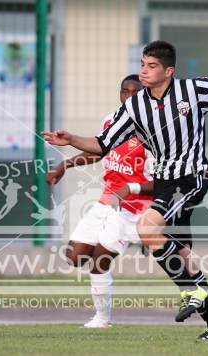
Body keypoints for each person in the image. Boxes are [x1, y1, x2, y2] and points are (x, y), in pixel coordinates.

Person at [42, 40, 208, 341]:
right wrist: (71, 139)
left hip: (190, 178)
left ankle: (193, 291)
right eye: (142, 65)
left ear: (168, 71)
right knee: (182, 255)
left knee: (148, 229)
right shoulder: (135, 106)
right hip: (163, 182)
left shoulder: (193, 91)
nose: (143, 71)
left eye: (151, 66)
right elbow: (102, 144)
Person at [46, 74, 154, 328]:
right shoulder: (111, 120)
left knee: (99, 261)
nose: (128, 97)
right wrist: (65, 164)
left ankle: (102, 320)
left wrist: (131, 188)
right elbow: (98, 151)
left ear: (145, 95)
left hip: (134, 208)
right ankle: (140, 239)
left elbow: (163, 183)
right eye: (124, 91)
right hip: (106, 202)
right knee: (75, 256)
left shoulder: (153, 132)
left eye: (135, 92)